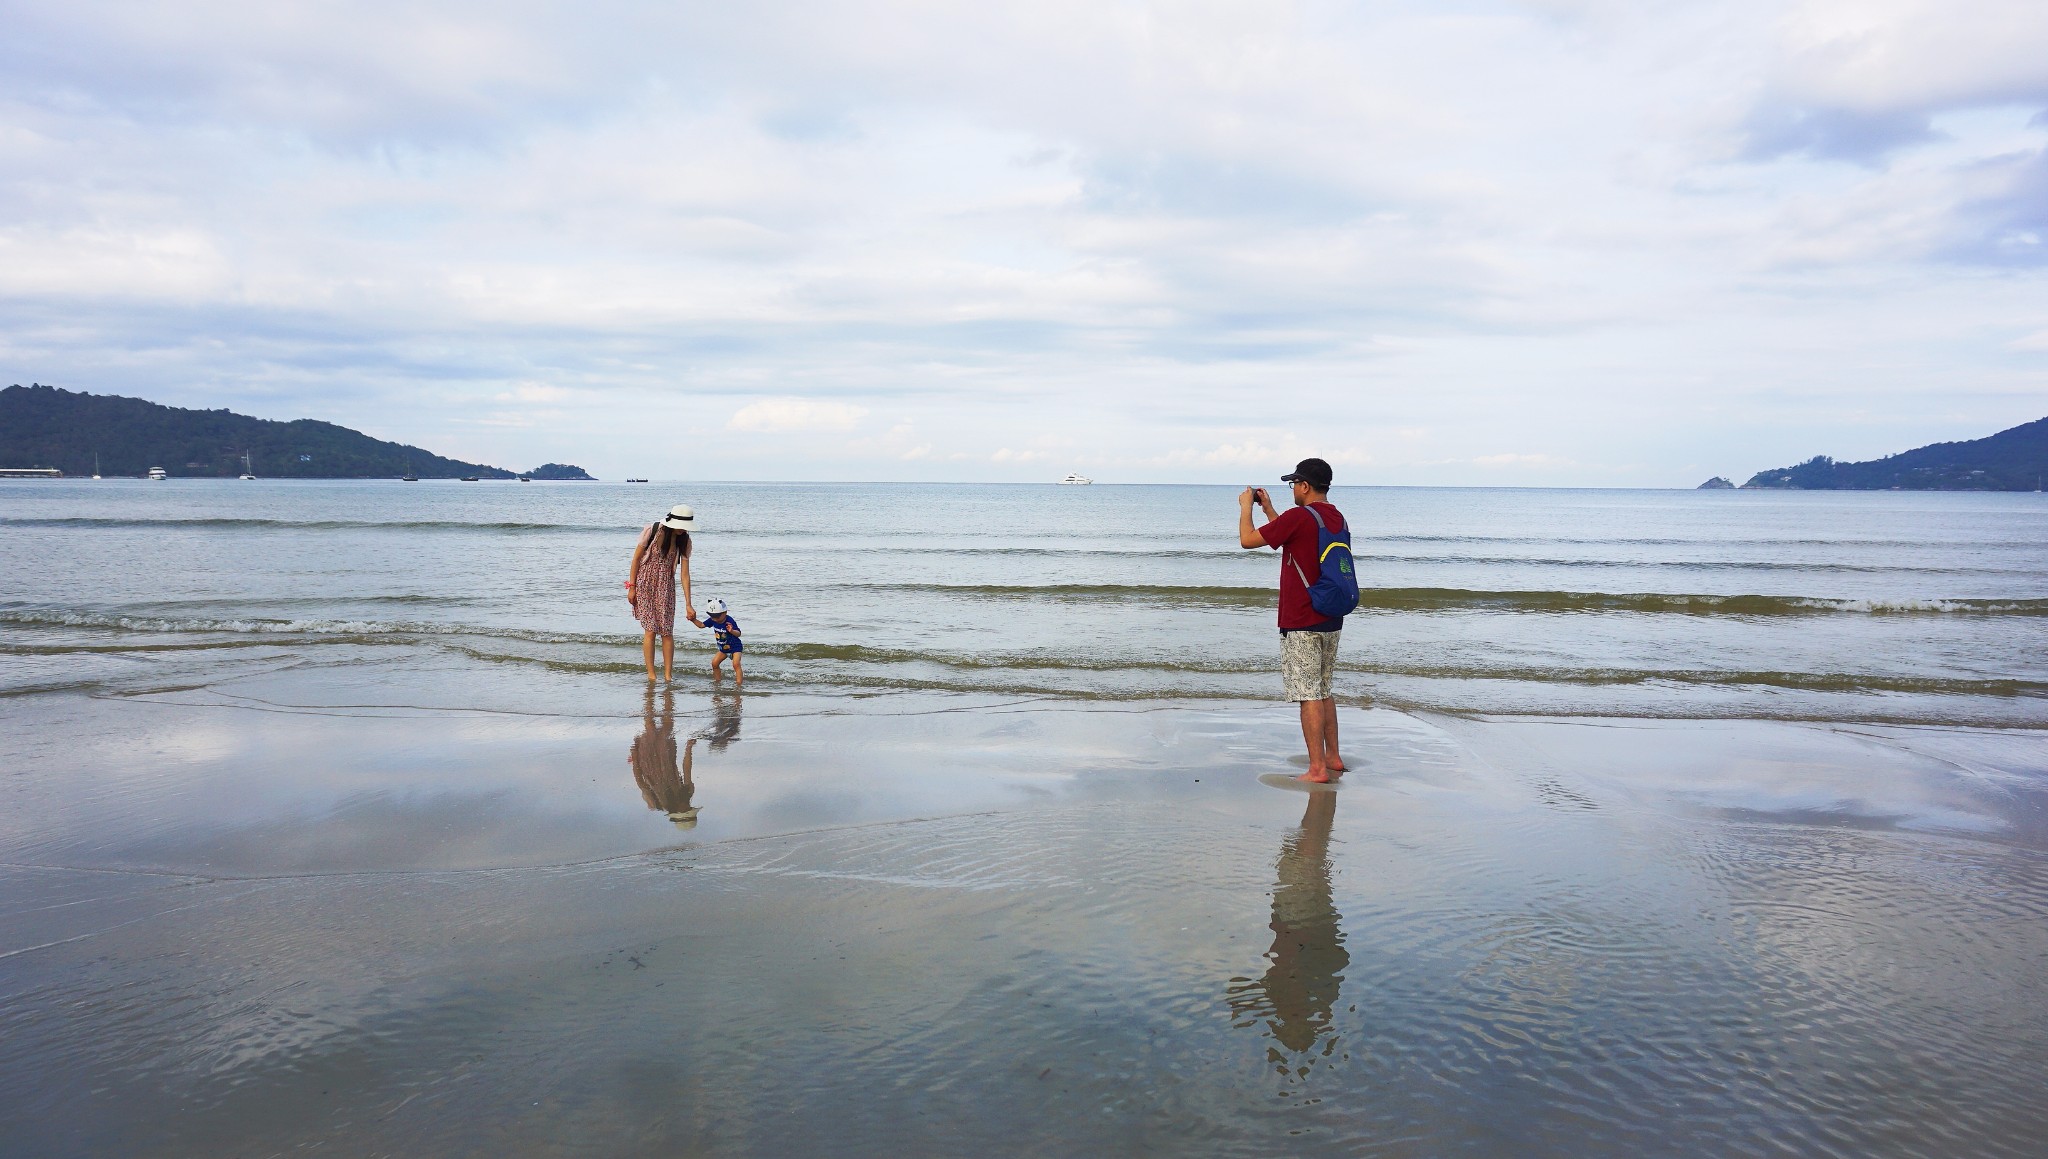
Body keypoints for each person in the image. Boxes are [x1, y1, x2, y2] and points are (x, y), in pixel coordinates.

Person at [1238, 457, 1349, 782]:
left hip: (1301, 618)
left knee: (1308, 693)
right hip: (1330, 616)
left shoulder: (1300, 516)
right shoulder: (1333, 517)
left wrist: (1246, 507)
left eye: (1294, 484)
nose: (1292, 490)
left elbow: (1248, 540)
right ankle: (1332, 758)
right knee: (1323, 688)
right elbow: (1290, 540)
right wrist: (1268, 509)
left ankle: (1316, 770)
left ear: (1304, 486)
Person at [626, 505, 697, 682]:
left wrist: (688, 603)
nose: (682, 529)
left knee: (666, 631)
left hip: (666, 586)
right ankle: (652, 676)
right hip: (645, 583)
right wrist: (632, 586)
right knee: (650, 630)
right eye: (680, 524)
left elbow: (685, 574)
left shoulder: (684, 541)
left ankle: (667, 676)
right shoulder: (653, 530)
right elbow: (636, 559)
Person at [697, 597, 743, 686]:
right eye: (712, 616)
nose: (715, 619)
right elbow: (701, 625)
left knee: (736, 664)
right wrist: (693, 619)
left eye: (717, 617)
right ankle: (717, 682)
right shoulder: (712, 620)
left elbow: (738, 634)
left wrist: (732, 631)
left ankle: (739, 685)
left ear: (725, 612)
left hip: (735, 647)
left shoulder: (729, 620)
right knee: (714, 663)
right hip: (723, 649)